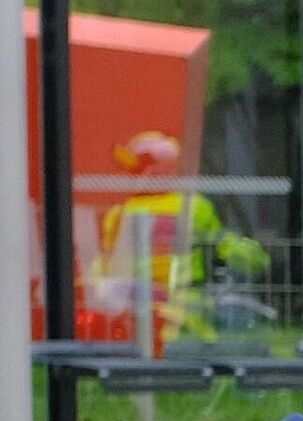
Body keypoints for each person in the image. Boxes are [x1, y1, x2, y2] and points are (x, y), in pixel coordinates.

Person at [95, 132, 270, 343]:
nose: (132, 175)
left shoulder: (122, 213)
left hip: (160, 301)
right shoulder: (192, 205)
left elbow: (103, 263)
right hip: (164, 300)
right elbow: (225, 244)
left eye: (136, 168)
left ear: (158, 170)